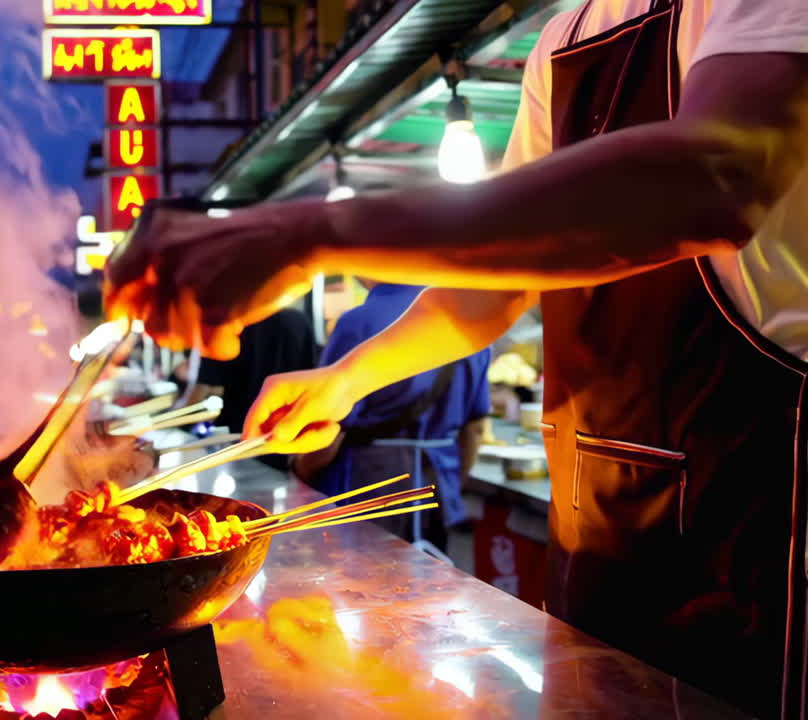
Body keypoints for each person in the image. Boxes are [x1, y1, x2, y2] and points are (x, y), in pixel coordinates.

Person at [105, 2, 808, 715]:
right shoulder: (563, 38)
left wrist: (308, 234)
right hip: (596, 545)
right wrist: (345, 380)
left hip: (753, 545)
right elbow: (490, 291)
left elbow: (717, 174)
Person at [292, 283, 490, 554]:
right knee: (436, 587)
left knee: (362, 589)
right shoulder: (471, 321)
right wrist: (454, 485)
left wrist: (300, 469)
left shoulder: (358, 322)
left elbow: (329, 428)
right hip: (439, 488)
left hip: (365, 488)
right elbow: (475, 428)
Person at [191, 308, 317, 469]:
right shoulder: (299, 320)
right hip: (289, 427)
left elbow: (207, 386)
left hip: (242, 430)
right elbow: (311, 374)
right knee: (284, 482)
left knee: (243, 483)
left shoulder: (232, 323)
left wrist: (185, 428)